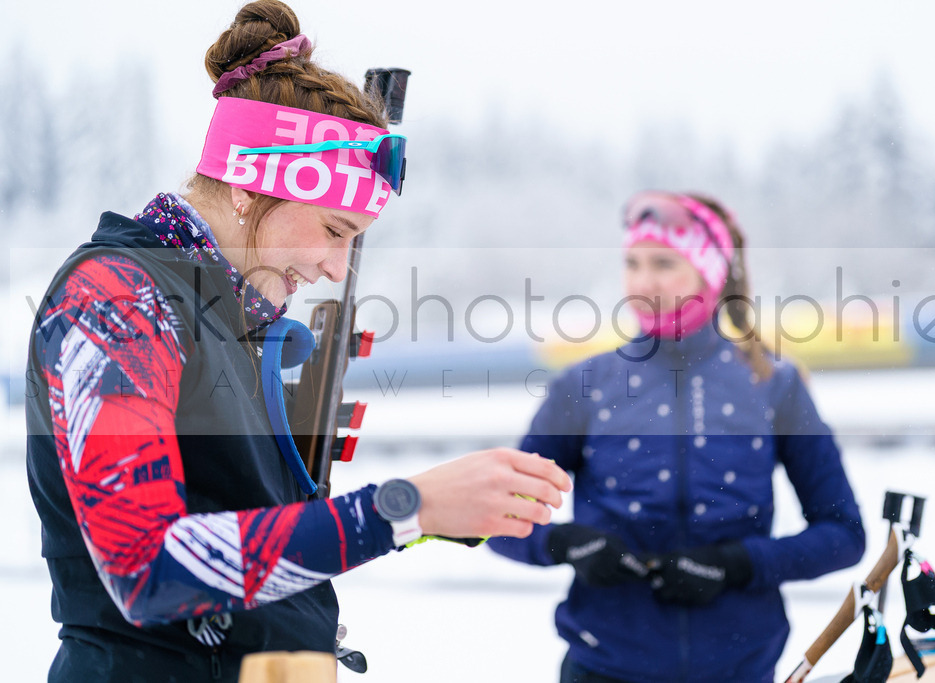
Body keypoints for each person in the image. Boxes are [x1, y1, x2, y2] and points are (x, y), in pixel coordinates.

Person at [24, 2, 570, 681]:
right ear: (253, 185)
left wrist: (440, 510)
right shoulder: (116, 300)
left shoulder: (226, 317)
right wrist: (402, 506)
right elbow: (146, 566)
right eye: (335, 230)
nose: (336, 268)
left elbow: (246, 531)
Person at [488, 191, 866, 682]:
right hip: (604, 665)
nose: (643, 282)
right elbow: (498, 520)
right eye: (633, 263)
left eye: (664, 263)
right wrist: (566, 544)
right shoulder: (584, 386)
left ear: (709, 273)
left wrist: (736, 564)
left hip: (741, 666)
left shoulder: (774, 383)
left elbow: (843, 535)